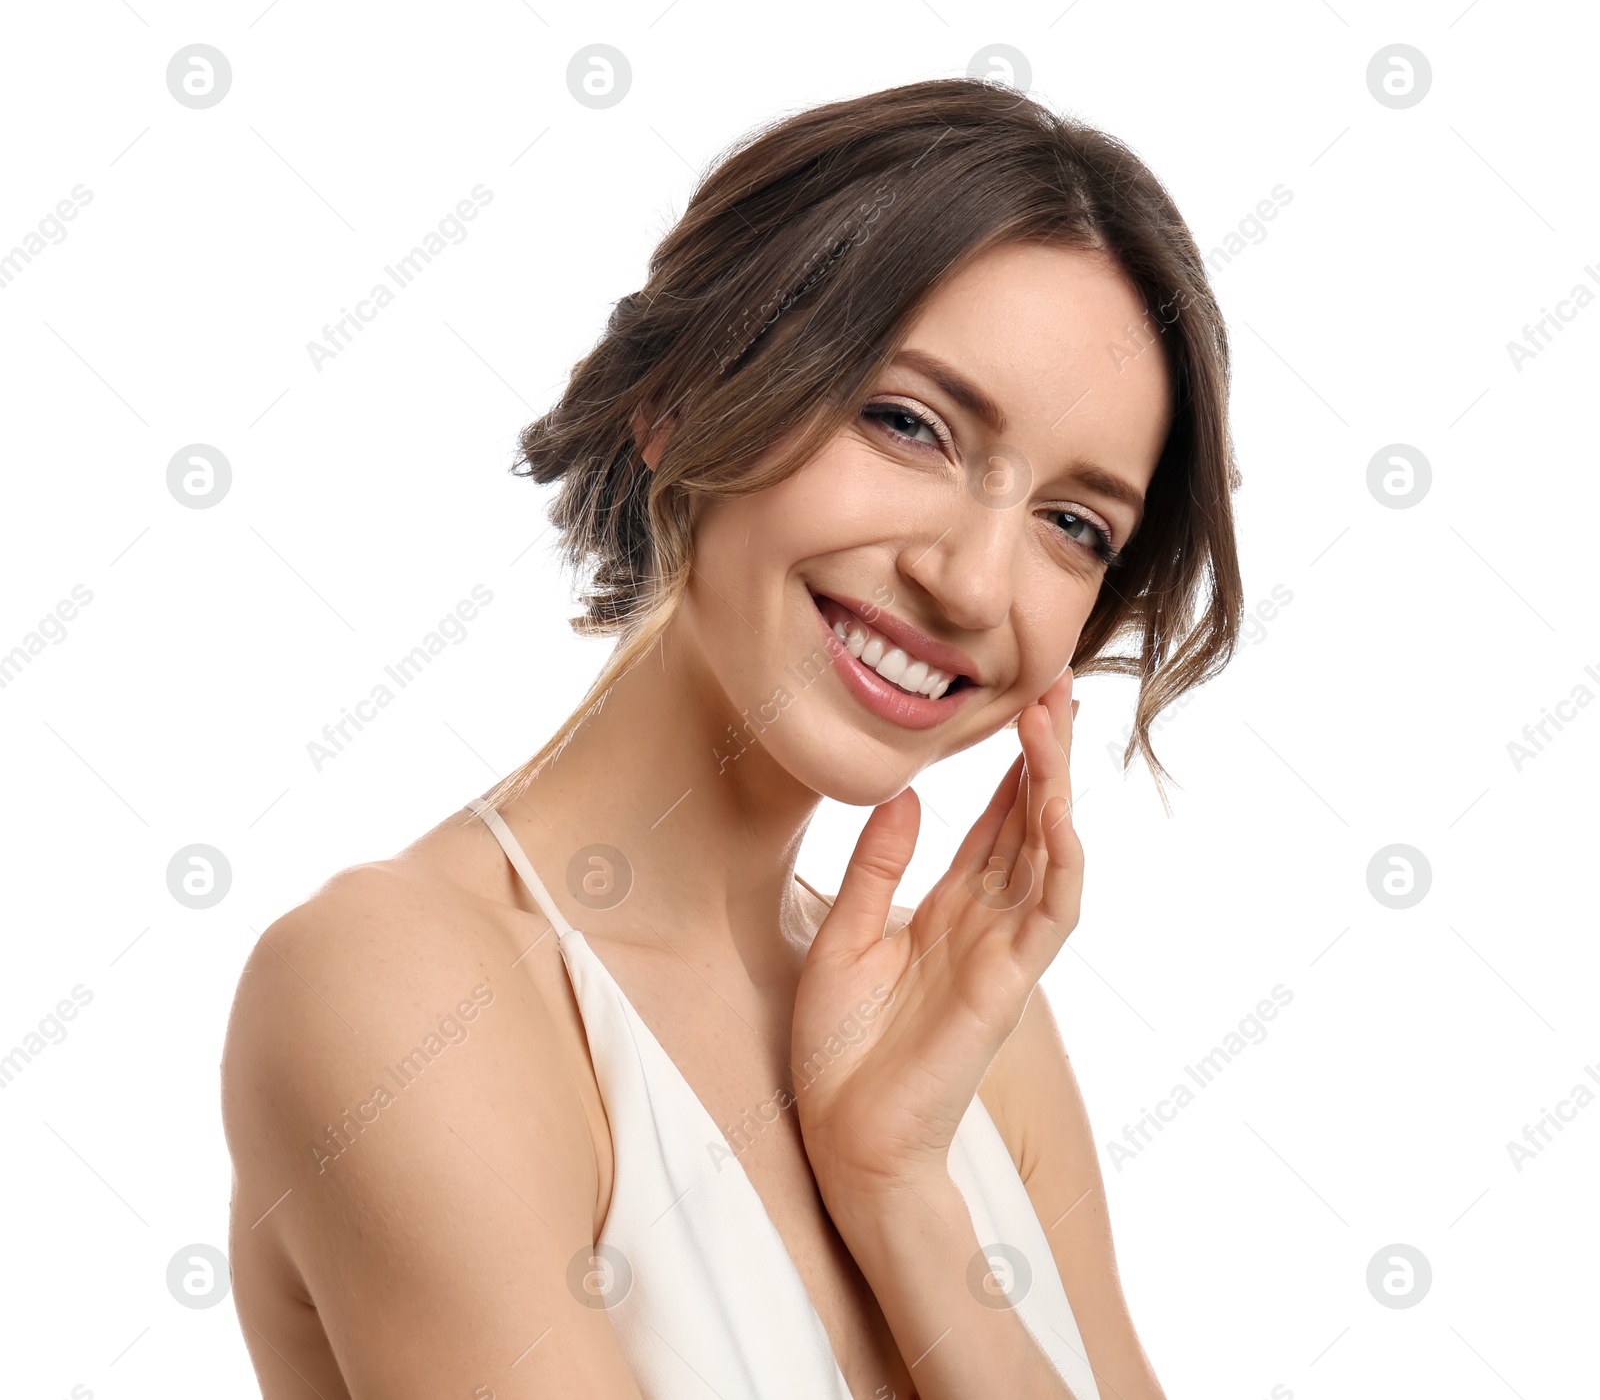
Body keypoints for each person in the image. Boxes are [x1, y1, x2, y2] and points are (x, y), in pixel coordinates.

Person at [222, 77, 1242, 1399]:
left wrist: (900, 1185)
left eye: (1074, 524)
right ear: (680, 398)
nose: (976, 582)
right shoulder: (401, 988)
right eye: (910, 423)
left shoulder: (970, 1037)